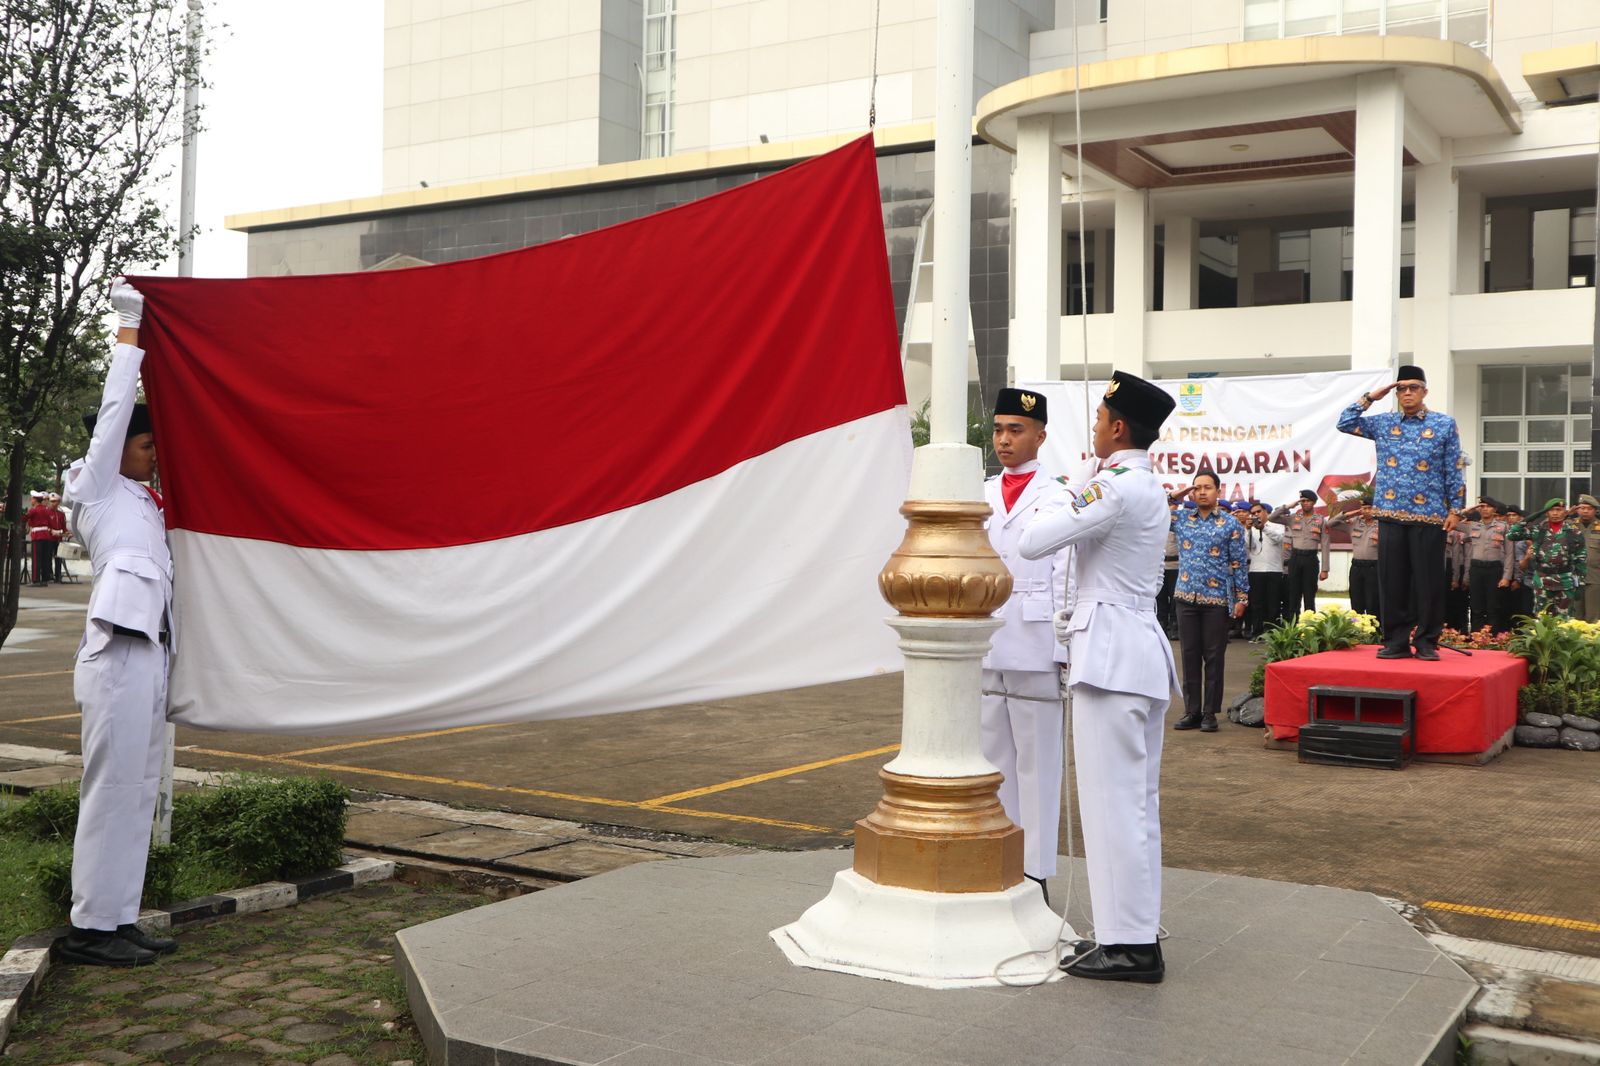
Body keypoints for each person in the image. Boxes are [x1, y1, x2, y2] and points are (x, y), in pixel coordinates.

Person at [1018, 370, 1178, 984]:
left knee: (1114, 807)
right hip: (1134, 651)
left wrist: (1067, 484)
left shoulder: (1113, 487)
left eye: (1098, 421)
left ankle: (1128, 946)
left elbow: (1035, 540)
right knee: (1135, 806)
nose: (1093, 431)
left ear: (1117, 428)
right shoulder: (1143, 483)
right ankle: (1133, 935)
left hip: (1110, 655)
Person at [55, 279, 178, 967]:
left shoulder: (149, 506)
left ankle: (117, 917)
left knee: (137, 790)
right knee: (110, 790)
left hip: (151, 655)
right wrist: (130, 333)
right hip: (115, 656)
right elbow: (111, 416)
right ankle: (89, 930)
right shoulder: (95, 488)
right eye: (145, 444)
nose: (152, 453)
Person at [980, 387, 1070, 904]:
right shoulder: (982, 492)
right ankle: (1001, 857)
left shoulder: (1059, 493)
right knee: (993, 758)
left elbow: (1067, 572)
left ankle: (1034, 871)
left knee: (1038, 761)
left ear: (1040, 435)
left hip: (1036, 640)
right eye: (998, 430)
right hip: (988, 639)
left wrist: (1064, 647)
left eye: (1016, 430)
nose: (1004, 440)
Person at [1336, 365, 1465, 660]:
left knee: (1428, 583)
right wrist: (1371, 396)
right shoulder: (1384, 423)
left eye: (1413, 387)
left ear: (1424, 391)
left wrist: (1455, 509)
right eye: (1401, 388)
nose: (1407, 393)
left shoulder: (1444, 424)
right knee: (1392, 583)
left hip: (1430, 516)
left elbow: (1453, 469)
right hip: (1390, 514)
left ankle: (1426, 641)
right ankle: (1395, 640)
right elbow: (1345, 422)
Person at [1168, 471, 1248, 732]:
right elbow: (1152, 510)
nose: (1202, 492)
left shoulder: (1230, 524)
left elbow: (1238, 564)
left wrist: (1242, 597)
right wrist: (1174, 496)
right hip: (1185, 597)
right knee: (1189, 655)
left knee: (1214, 657)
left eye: (1207, 488)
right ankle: (1191, 711)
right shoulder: (1181, 518)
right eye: (1197, 488)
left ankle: (1209, 713)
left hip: (1216, 600)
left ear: (1218, 491)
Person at [1505, 498, 1587, 616]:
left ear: (1564, 511)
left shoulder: (1574, 532)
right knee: (1542, 618)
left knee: (1564, 620)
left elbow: (1581, 559)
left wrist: (1581, 584)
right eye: (1551, 510)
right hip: (1542, 581)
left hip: (1565, 581)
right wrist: (1532, 517)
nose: (1555, 513)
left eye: (1558, 510)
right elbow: (1511, 535)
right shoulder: (1538, 530)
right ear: (1546, 512)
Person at [1268, 490, 1329, 615]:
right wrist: (1289, 506)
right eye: (1303, 501)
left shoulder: (1321, 521)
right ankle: (1293, 626)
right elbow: (1271, 517)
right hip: (1295, 558)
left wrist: (1325, 569)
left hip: (1310, 559)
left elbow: (1325, 545)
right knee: (1293, 594)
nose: (1305, 503)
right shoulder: (1293, 518)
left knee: (1309, 594)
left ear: (1314, 503)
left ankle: (1309, 626)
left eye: (1308, 501)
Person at [1459, 498, 1510, 632]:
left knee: (1493, 606)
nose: (1484, 509)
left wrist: (1506, 576)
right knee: (1476, 605)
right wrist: (1466, 511)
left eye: (1488, 506)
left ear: (1494, 510)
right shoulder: (1472, 525)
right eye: (1482, 506)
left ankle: (1491, 638)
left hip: (1494, 569)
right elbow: (1452, 523)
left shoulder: (1503, 527)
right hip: (1476, 568)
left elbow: (1510, 554)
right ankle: (1476, 636)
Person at [1328, 497, 1379, 618]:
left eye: (1369, 508)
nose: (1366, 511)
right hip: (1356, 567)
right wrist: (1354, 513)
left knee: (1373, 602)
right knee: (1356, 601)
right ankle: (1357, 630)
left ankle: (1374, 632)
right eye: (1364, 508)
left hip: (1373, 567)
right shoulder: (1355, 522)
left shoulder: (1382, 525)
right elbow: (1330, 523)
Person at [1244, 501, 1288, 638]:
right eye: (1253, 513)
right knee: (1256, 603)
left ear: (1265, 512)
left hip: (1274, 569)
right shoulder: (1251, 528)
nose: (1256, 515)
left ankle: (1271, 632)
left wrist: (1264, 528)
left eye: (1258, 512)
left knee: (1273, 603)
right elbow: (1248, 546)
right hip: (1256, 570)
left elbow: (1279, 539)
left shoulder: (1277, 526)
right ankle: (1257, 632)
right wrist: (1247, 529)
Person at [1500, 505, 1534, 629]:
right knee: (1504, 609)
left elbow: (1520, 560)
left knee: (1521, 610)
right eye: (1508, 515)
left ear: (1520, 518)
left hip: (1523, 577)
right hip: (1504, 574)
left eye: (1514, 515)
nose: (1511, 518)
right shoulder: (1503, 530)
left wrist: (1518, 579)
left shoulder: (1525, 534)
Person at [1445, 510, 1470, 633]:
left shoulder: (1456, 532)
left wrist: (1455, 578)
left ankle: (1454, 631)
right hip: (1435, 566)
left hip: (1452, 567)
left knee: (1455, 604)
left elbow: (1457, 555)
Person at [1575, 494, 1599, 623]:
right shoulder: (1568, 526)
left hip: (1595, 577)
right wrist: (1565, 515)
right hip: (1572, 578)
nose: (1585, 511)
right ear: (1577, 509)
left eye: (1589, 508)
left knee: (1593, 617)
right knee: (1574, 617)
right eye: (1582, 507)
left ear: (1595, 510)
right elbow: (1546, 528)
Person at [1157, 500, 1179, 638]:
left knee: (1175, 598)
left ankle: (1175, 627)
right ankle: (1161, 626)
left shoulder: (1178, 525)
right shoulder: (1156, 522)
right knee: (1160, 598)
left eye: (1173, 506)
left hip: (1176, 566)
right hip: (1160, 566)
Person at [26, 490, 55, 586]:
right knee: (45, 558)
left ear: (35, 500)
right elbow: (51, 524)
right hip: (46, 535)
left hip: (37, 536)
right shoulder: (47, 510)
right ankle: (45, 579)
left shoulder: (33, 510)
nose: (31, 500)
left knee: (36, 559)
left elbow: (24, 518)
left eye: (32, 499)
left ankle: (35, 580)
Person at [46, 493, 70, 581]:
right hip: (49, 538)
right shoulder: (47, 512)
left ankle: (58, 575)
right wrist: (52, 531)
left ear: (58, 502)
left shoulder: (61, 514)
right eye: (51, 501)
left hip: (58, 539)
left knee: (58, 557)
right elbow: (46, 525)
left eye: (54, 501)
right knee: (48, 557)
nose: (52, 503)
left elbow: (63, 526)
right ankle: (49, 575)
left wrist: (67, 532)